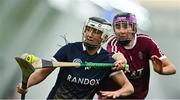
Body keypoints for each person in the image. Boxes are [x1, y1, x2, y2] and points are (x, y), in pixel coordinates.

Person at [16, 17, 134, 99]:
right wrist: (25, 85)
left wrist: (117, 93)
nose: (89, 34)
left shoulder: (106, 61)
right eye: (88, 29)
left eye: (96, 32)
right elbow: (42, 73)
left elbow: (129, 87)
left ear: (104, 37)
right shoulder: (69, 50)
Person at [98, 12, 176, 99]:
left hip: (137, 97)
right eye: (118, 27)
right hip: (113, 96)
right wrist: (121, 61)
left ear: (134, 28)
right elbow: (117, 55)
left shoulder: (146, 42)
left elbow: (172, 68)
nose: (121, 31)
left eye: (125, 26)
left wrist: (160, 70)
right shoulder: (113, 42)